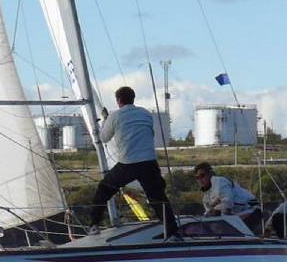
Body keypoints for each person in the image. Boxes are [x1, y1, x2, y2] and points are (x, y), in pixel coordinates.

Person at [88, 86, 180, 241]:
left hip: (128, 163)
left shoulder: (115, 116)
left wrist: (105, 121)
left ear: (118, 100)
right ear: (133, 98)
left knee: (104, 189)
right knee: (158, 198)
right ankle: (173, 233)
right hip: (149, 162)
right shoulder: (145, 113)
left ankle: (94, 225)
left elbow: (104, 138)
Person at [193, 162, 262, 235]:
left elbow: (228, 202)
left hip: (252, 210)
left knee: (230, 231)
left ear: (210, 174)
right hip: (237, 214)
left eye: (202, 175)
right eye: (197, 177)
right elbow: (209, 214)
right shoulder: (206, 198)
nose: (200, 179)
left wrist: (214, 211)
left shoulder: (219, 181)